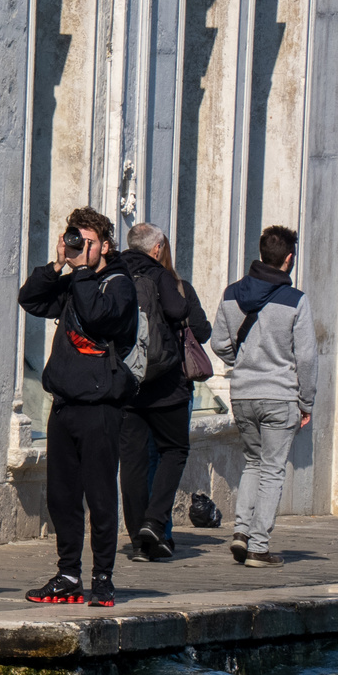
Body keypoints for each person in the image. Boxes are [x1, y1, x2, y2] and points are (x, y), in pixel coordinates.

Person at [18, 206, 136, 607]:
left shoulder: (119, 284)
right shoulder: (74, 281)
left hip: (101, 406)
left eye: (86, 243)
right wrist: (56, 265)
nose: (79, 249)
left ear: (104, 245)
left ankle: (102, 577)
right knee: (62, 496)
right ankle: (68, 575)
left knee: (100, 496)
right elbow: (30, 299)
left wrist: (82, 272)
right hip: (65, 404)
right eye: (75, 241)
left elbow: (100, 317)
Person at [211, 226, 317, 568]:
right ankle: (258, 546)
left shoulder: (231, 294)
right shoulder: (296, 300)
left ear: (260, 253)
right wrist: (307, 401)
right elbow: (307, 357)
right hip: (280, 395)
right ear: (288, 259)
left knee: (253, 462)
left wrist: (240, 362)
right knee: (272, 470)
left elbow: (218, 343)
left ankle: (241, 532)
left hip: (242, 393)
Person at [118, 222, 210, 562]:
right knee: (173, 450)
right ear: (157, 249)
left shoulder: (114, 274)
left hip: (127, 383)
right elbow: (181, 314)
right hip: (165, 384)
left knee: (132, 462)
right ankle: (155, 524)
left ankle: (137, 534)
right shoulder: (164, 277)